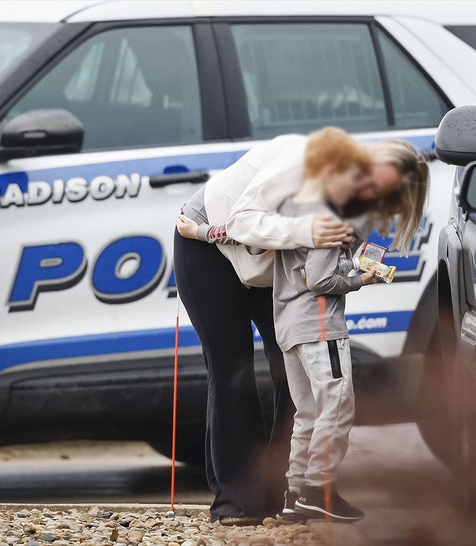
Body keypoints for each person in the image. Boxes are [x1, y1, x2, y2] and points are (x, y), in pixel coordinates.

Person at [173, 128, 428, 525]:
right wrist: (306, 232)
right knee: (232, 371)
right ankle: (239, 501)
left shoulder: (350, 203)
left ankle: (294, 492)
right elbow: (243, 219)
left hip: (271, 264)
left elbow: (324, 262)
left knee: (294, 371)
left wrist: (354, 263)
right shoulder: (305, 159)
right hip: (208, 246)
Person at [271, 127, 376, 524]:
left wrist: (348, 264)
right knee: (337, 405)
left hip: (289, 325)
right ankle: (319, 490)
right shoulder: (327, 217)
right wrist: (359, 279)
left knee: (308, 413)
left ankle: (294, 495)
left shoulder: (293, 209)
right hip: (319, 326)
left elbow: (306, 270)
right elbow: (319, 280)